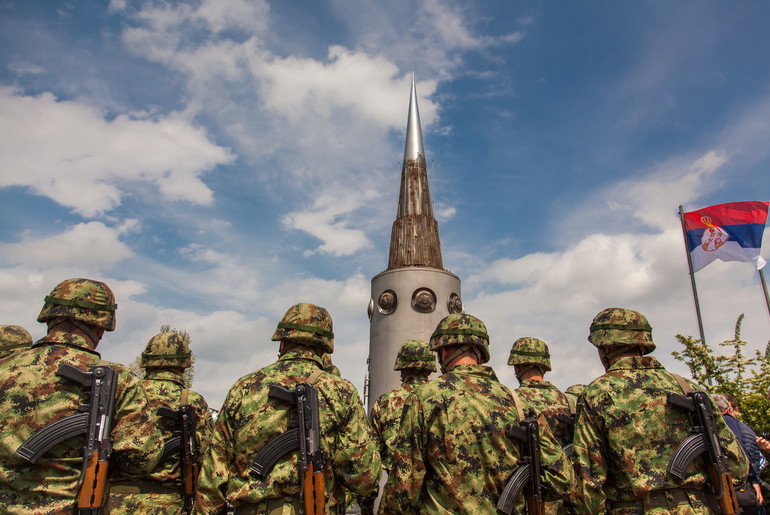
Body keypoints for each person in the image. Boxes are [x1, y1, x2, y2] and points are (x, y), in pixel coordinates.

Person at [195, 302, 381, 514]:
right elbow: (364, 478)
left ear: (282, 342)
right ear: (324, 348)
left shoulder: (244, 388)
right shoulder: (341, 392)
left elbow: (212, 476)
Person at [380, 313, 575, 514]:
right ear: (482, 353)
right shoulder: (517, 402)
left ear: (444, 351)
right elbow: (561, 479)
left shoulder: (424, 398)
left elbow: (403, 486)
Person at [0, 278, 163, 512]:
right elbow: (139, 460)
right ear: (101, 328)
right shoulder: (118, 379)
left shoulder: (5, 367)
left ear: (48, 316)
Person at [573, 307, 748, 513]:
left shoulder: (596, 393)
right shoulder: (687, 387)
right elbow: (737, 468)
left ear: (606, 347)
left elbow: (589, 478)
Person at [109, 332, 214, 513]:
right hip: (168, 505)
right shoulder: (192, 401)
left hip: (116, 502)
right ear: (184, 366)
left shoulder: (123, 395)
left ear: (146, 361)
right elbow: (207, 458)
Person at [508, 336, 578, 514]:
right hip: (567, 499)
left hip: (532, 500)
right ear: (545, 365)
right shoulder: (570, 402)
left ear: (517, 366)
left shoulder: (513, 401)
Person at [370, 339, 436, 472]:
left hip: (398, 484)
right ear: (429, 369)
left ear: (401, 368)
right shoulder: (440, 398)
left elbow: (372, 454)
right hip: (436, 488)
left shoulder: (385, 402)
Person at [713, 393, 763, 514]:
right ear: (729, 409)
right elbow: (740, 452)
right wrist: (754, 480)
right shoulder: (729, 421)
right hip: (737, 485)